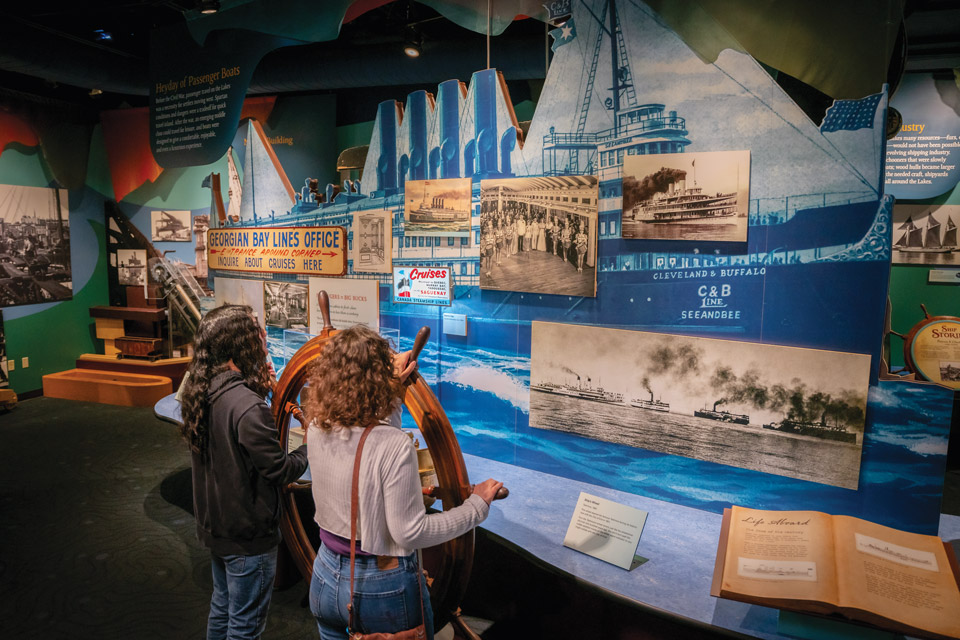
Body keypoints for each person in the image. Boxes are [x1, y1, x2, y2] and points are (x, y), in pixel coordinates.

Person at [304, 326, 502, 640]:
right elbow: (410, 532)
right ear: (378, 378)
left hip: (325, 576)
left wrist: (393, 391)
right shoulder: (393, 444)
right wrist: (477, 506)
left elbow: (371, 439)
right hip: (381, 587)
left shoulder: (316, 427)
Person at [179, 304, 308, 640]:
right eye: (258, 336)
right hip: (249, 540)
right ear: (241, 346)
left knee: (221, 611)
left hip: (219, 530)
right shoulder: (248, 406)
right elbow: (280, 469)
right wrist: (312, 446)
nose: (264, 342)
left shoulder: (202, 390)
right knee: (245, 627)